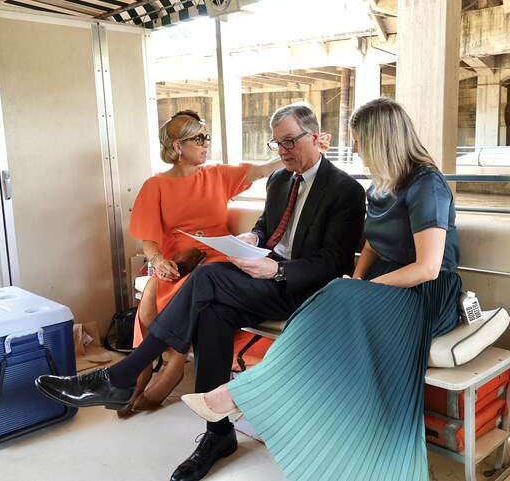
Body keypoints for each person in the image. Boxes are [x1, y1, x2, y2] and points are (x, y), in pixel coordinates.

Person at [36, 102, 367, 481]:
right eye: (277, 145)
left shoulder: (345, 189)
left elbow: (335, 263)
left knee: (208, 280)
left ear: (314, 136)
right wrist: (251, 237)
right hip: (262, 277)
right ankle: (218, 434)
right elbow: (266, 225)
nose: (283, 152)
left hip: (302, 288)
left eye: (290, 142)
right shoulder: (280, 181)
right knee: (212, 313)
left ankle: (122, 376)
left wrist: (276, 269)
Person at [180, 97, 462, 481]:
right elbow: (374, 243)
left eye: (360, 140)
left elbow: (428, 268)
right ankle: (251, 398)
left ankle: (242, 393)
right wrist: (359, 281)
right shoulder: (382, 187)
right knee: (337, 289)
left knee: (337, 292)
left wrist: (365, 289)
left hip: (425, 295)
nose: (357, 148)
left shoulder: (427, 184)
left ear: (382, 139)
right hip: (387, 290)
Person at [119, 110, 284, 414]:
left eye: (207, 136)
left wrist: (291, 151)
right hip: (178, 261)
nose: (206, 143)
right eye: (198, 138)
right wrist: (157, 261)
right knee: (157, 293)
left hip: (218, 257)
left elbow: (260, 171)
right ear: (178, 146)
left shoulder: (217, 175)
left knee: (200, 288)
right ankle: (141, 373)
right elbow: (149, 239)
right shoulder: (154, 186)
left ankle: (172, 365)